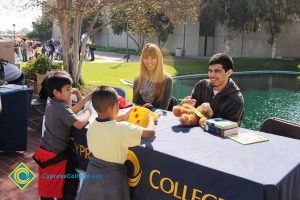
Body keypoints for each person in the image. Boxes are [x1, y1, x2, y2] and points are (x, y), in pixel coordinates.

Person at [78, 86, 156, 200]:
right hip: (112, 180)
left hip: (92, 177)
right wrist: (151, 119)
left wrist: (123, 117)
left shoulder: (92, 125)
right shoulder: (122, 129)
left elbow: (107, 124)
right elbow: (150, 132)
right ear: (115, 106)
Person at [32, 70, 92, 200]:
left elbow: (70, 112)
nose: (71, 91)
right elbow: (80, 124)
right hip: (56, 155)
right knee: (58, 187)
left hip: (47, 151)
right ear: (56, 92)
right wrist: (88, 112)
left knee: (47, 188)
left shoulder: (52, 102)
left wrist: (80, 95)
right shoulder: (61, 108)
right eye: (68, 89)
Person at [182, 53, 244, 123]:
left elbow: (229, 130)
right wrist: (184, 106)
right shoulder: (201, 85)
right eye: (210, 70)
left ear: (228, 73)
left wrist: (211, 115)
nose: (211, 75)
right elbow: (191, 114)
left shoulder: (235, 100)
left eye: (217, 71)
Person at [133, 43, 173, 110]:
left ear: (159, 59)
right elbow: (135, 104)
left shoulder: (167, 80)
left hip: (157, 118)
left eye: (153, 58)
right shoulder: (137, 79)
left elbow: (163, 108)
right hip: (140, 116)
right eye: (146, 58)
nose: (149, 61)